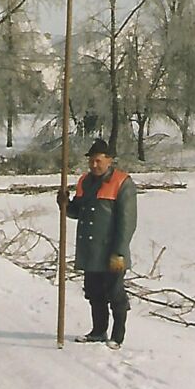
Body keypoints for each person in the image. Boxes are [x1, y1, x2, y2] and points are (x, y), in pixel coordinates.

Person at [60, 139, 137, 350]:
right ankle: (98, 331)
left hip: (111, 250)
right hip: (91, 251)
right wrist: (65, 204)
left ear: (109, 160)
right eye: (91, 161)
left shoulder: (122, 183)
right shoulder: (85, 181)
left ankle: (117, 336)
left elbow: (127, 222)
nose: (94, 165)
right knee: (94, 292)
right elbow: (78, 211)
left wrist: (119, 252)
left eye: (98, 161)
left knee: (115, 293)